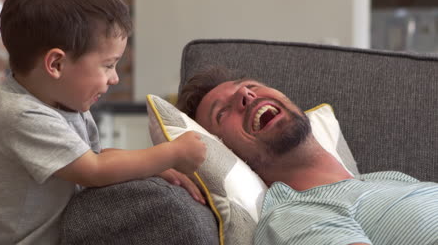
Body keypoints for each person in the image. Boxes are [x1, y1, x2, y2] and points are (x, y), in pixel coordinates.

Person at [0, 0, 206, 244]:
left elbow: (93, 157)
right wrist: (171, 154)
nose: (114, 78)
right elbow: (93, 169)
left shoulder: (63, 102)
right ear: (56, 64)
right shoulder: (22, 115)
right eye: (108, 65)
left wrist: (154, 167)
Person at [176, 67, 438, 245]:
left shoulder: (388, 179)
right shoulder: (292, 215)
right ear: (226, 151)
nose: (245, 94)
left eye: (250, 86)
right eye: (221, 113)